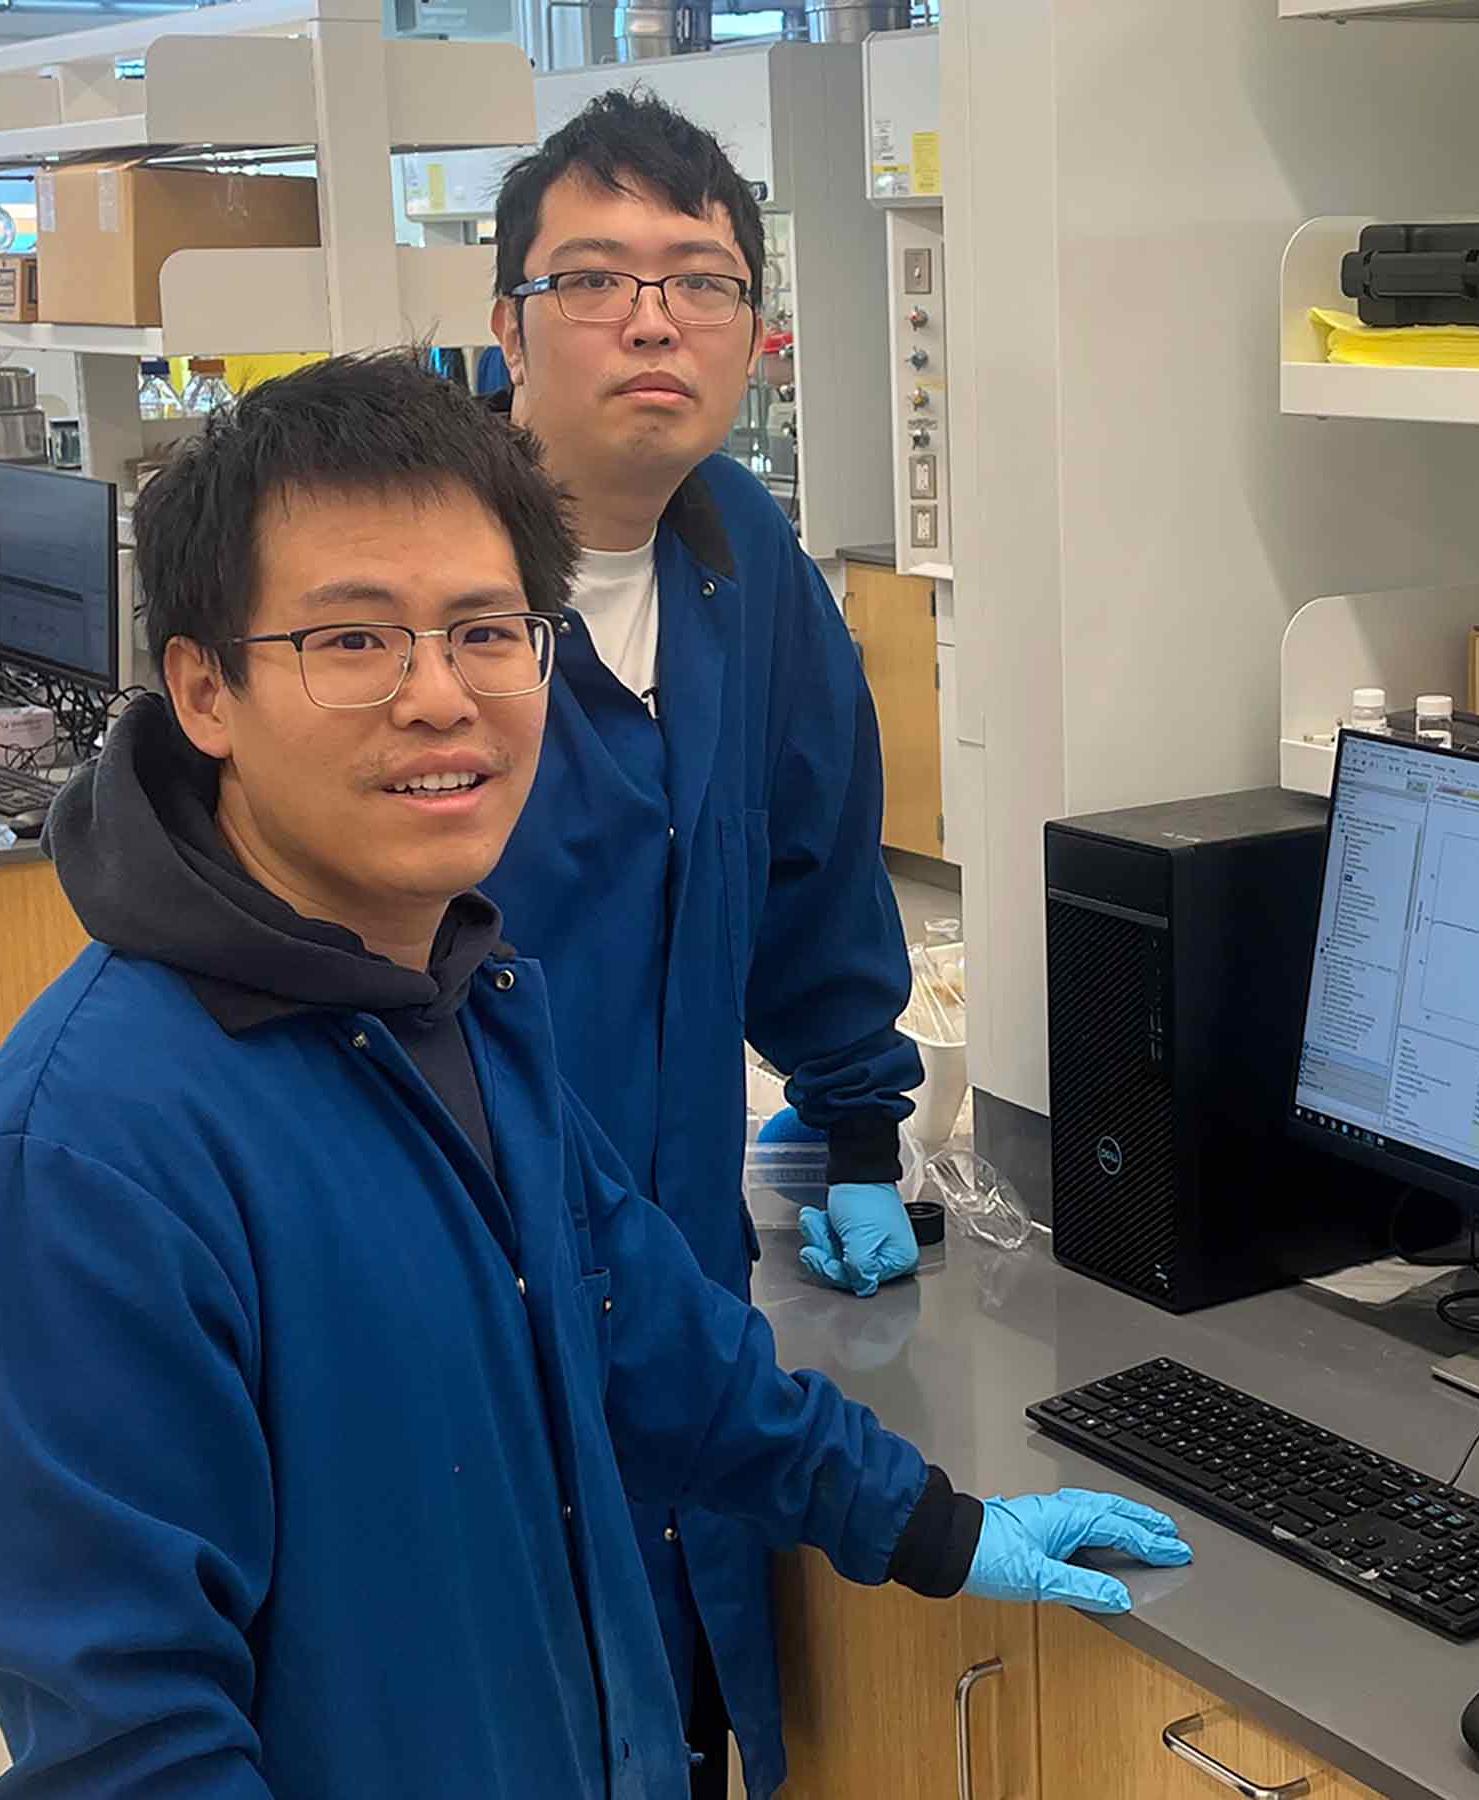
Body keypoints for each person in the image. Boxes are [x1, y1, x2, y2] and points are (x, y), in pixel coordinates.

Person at [0, 351, 1190, 1800]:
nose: (439, 698)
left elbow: (658, 1344)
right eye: (352, 640)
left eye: (485, 631)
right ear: (204, 689)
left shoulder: (468, 1001)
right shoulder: (79, 1165)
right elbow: (131, 1751)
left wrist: (933, 1525)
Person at [481, 91, 930, 1797]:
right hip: (470, 1292)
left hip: (679, 1276)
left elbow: (815, 870)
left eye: (702, 280)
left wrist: (860, 1129)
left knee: (672, 1702)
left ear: (754, 330)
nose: (655, 320)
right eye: (597, 278)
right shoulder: (428, 600)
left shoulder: (742, 561)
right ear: (509, 321)